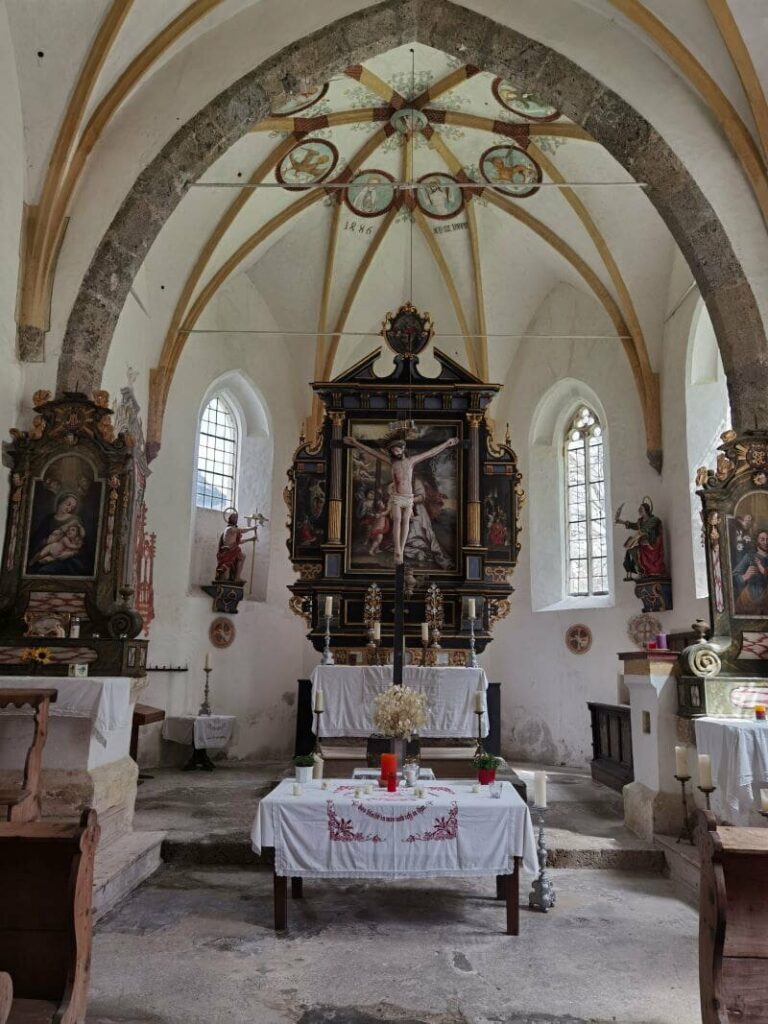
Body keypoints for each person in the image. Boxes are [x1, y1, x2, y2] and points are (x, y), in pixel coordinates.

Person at [344, 432, 459, 564]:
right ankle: (398, 550)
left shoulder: (411, 461)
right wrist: (354, 443)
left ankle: (402, 549)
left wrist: (447, 443)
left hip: (408, 497)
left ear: (402, 448)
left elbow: (431, 453)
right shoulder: (392, 462)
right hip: (397, 497)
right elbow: (372, 452)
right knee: (397, 520)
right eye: (393, 450)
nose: (395, 451)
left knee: (405, 522)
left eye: (397, 448)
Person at [615, 498, 667, 579]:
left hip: (652, 544)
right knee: (632, 550)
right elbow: (633, 525)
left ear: (646, 510)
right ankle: (642, 571)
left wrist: (632, 541)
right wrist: (620, 521)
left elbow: (643, 530)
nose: (639, 511)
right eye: (639, 510)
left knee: (635, 546)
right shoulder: (640, 521)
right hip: (643, 543)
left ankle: (652, 571)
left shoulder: (654, 520)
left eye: (641, 510)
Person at [215, 511, 260, 583]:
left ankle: (237, 577)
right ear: (230, 519)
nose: (236, 519)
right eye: (234, 518)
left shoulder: (234, 530)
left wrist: (251, 539)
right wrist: (252, 528)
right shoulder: (229, 529)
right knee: (225, 575)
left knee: (242, 556)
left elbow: (238, 542)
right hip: (228, 551)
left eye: (236, 518)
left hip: (233, 550)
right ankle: (235, 577)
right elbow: (241, 530)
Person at [733, 529, 768, 615]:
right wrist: (745, 576)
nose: (766, 542)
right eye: (762, 539)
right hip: (748, 599)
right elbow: (734, 576)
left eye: (767, 539)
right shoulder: (749, 557)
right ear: (757, 540)